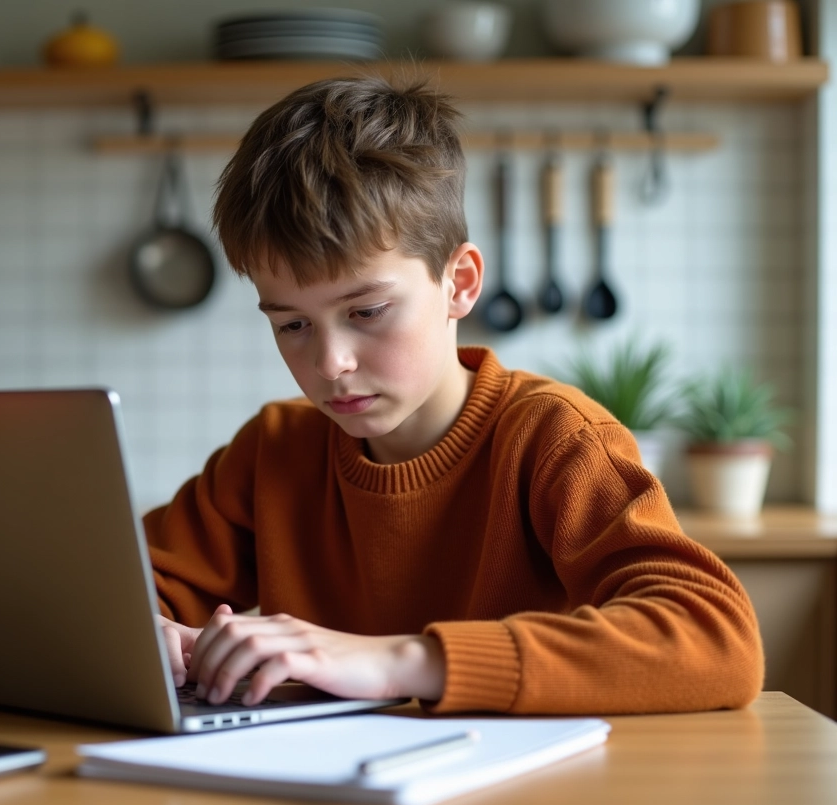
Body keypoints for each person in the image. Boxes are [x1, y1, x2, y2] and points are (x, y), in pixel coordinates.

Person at [146, 76, 763, 715]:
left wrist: (391, 660)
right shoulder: (274, 451)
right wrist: (148, 633)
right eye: (291, 325)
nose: (331, 364)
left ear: (460, 284)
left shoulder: (557, 440)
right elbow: (115, 588)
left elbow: (716, 641)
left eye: (368, 311)